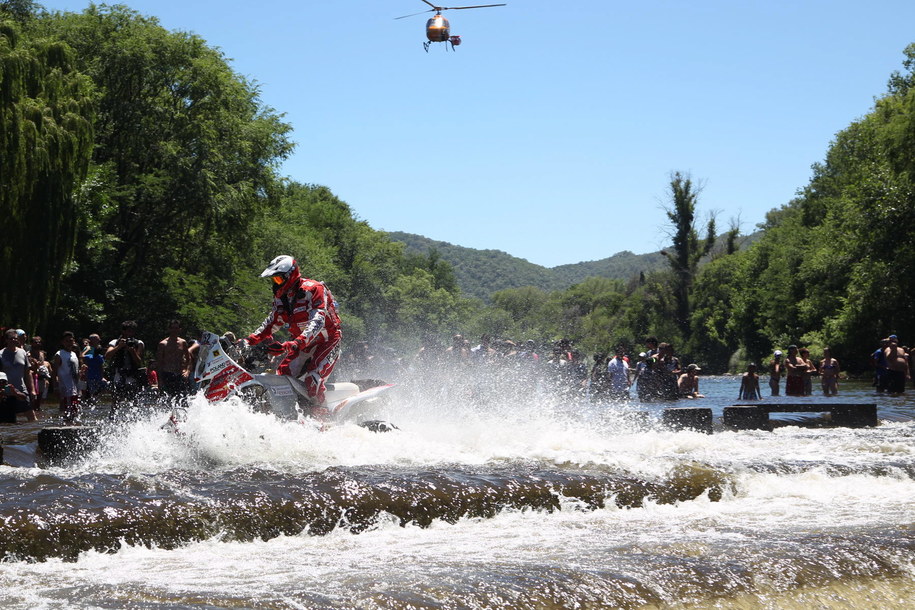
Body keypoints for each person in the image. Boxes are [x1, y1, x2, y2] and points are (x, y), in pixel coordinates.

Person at [243, 255, 342, 408]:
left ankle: (323, 417)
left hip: (327, 340)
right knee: (281, 379)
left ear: (290, 275)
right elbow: (272, 322)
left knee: (313, 379)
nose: (275, 284)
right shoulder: (282, 298)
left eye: (278, 279)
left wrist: (295, 343)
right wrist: (248, 341)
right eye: (273, 280)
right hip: (301, 344)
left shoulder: (313, 289)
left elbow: (318, 320)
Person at [105, 320, 146, 413]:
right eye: (128, 331)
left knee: (134, 399)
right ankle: (113, 417)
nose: (130, 333)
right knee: (116, 399)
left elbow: (139, 361)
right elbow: (107, 356)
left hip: (132, 374)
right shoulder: (115, 342)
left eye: (132, 331)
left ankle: (135, 418)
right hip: (118, 374)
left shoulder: (139, 343)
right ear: (123, 331)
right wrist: (119, 347)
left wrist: (132, 351)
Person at [0, 328, 37, 421]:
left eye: (15, 338)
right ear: (6, 340)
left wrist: (32, 390)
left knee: (32, 418)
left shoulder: (22, 352)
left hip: (22, 389)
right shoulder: (1, 354)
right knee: (9, 421)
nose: (14, 340)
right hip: (7, 392)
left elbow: (27, 373)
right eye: (11, 338)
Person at [156, 319, 191, 402]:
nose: (174, 330)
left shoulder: (183, 342)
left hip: (179, 375)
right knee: (168, 399)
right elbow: (159, 363)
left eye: (176, 328)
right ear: (169, 329)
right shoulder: (163, 344)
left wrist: (187, 371)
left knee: (182, 399)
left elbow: (188, 359)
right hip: (167, 374)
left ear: (179, 329)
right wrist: (159, 380)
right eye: (172, 328)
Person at [52, 331, 82, 424]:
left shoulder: (74, 354)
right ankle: (66, 426)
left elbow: (76, 371)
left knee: (75, 410)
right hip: (65, 387)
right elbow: (54, 372)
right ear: (62, 342)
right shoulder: (59, 354)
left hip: (75, 387)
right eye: (67, 341)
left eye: (71, 341)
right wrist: (55, 386)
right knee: (67, 410)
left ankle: (73, 426)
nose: (69, 343)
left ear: (74, 341)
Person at [81, 333, 107, 404]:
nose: (99, 341)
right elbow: (82, 360)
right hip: (88, 375)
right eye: (97, 339)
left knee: (95, 391)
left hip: (93, 376)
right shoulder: (88, 349)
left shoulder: (97, 351)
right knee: (87, 392)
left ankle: (91, 401)